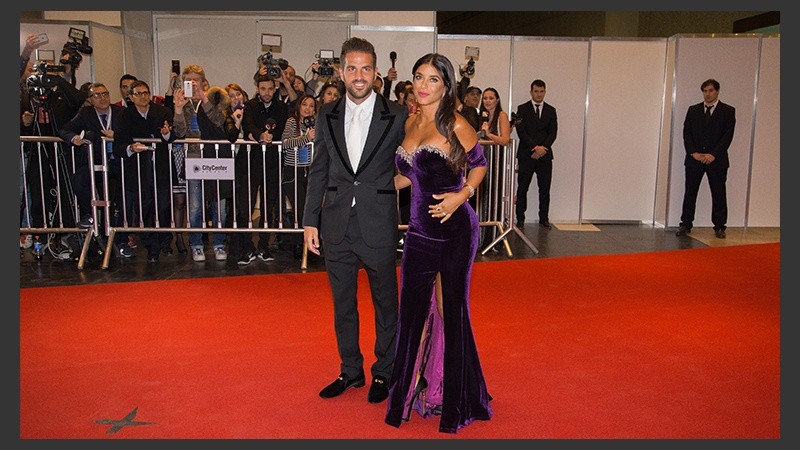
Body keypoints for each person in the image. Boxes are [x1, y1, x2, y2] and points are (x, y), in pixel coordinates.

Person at [385, 52, 492, 434]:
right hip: (418, 232)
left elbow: (480, 164)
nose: (423, 85)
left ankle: (459, 396)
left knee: (451, 310)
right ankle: (404, 393)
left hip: (454, 230)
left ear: (446, 85)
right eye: (418, 77)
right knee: (411, 310)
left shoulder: (456, 124)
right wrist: (366, 187)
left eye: (432, 79)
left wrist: (461, 195)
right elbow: (407, 177)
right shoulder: (412, 121)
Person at [303, 36, 407, 404]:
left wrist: (405, 181)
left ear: (376, 73)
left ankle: (385, 371)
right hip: (335, 225)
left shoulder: (397, 114)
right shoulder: (326, 113)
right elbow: (319, 170)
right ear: (342, 72)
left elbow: (419, 157)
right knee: (342, 303)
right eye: (352, 68)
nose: (359, 75)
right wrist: (309, 221)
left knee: (385, 303)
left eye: (366, 68)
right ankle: (351, 370)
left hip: (377, 221)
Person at [172, 64, 237, 262]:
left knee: (219, 205)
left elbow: (220, 122)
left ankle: (218, 243)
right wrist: (177, 109)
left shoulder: (215, 99)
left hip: (216, 159)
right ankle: (196, 244)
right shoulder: (183, 102)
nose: (192, 83)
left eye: (196, 80)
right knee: (195, 206)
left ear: (203, 82)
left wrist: (203, 99)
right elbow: (180, 132)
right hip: (194, 159)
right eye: (188, 80)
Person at [112, 80, 175, 262]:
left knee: (163, 206)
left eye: (146, 93)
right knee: (144, 208)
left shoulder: (162, 111)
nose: (143, 97)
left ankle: (165, 241)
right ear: (130, 97)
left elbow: (173, 136)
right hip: (137, 169)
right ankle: (150, 246)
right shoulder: (124, 116)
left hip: (160, 166)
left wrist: (165, 134)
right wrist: (132, 148)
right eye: (138, 94)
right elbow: (119, 145)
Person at [676, 78, 736, 239]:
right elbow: (686, 133)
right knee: (690, 192)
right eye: (704, 91)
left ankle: (719, 226)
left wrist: (713, 154)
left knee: (718, 193)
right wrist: (692, 152)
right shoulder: (693, 110)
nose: (707, 94)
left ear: (717, 91)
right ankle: (686, 224)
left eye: (710, 90)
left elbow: (727, 136)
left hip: (717, 161)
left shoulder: (728, 111)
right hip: (694, 159)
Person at [237, 74, 288, 263]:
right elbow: (247, 124)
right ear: (257, 89)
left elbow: (282, 129)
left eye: (270, 89)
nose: (266, 93)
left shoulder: (282, 107)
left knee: (269, 206)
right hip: (249, 162)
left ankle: (264, 246)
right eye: (263, 89)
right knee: (245, 207)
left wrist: (267, 136)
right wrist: (259, 135)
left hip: (273, 162)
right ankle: (246, 248)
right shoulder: (249, 106)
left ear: (274, 89)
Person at [514, 79, 557, 229]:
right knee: (522, 188)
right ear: (531, 92)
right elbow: (521, 132)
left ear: (545, 92)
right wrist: (535, 148)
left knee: (544, 188)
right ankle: (520, 219)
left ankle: (543, 218)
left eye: (541, 91)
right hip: (527, 155)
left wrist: (543, 148)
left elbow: (553, 133)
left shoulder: (551, 110)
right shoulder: (522, 109)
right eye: (536, 91)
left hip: (545, 155)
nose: (539, 94)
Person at [280, 94, 317, 260]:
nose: (307, 108)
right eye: (304, 105)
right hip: (292, 171)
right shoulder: (291, 122)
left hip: (310, 170)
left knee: (311, 209)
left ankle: (312, 245)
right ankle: (298, 244)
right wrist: (305, 138)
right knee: (299, 209)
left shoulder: (316, 124)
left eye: (311, 105)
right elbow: (285, 143)